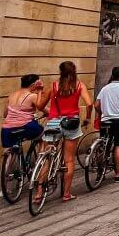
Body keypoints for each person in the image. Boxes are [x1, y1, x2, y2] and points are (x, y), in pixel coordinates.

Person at [39, 61, 93, 202]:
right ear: (74, 70)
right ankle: (66, 194)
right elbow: (89, 103)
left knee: (46, 158)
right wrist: (87, 118)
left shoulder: (53, 86)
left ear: (60, 71)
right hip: (71, 123)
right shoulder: (80, 86)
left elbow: (40, 106)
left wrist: (39, 92)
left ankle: (38, 193)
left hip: (54, 122)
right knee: (68, 159)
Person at [1, 73, 46, 152]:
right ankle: (43, 162)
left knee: (8, 151)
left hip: (6, 129)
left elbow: (5, 114)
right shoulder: (32, 96)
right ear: (33, 84)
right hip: (26, 127)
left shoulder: (11, 96)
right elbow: (44, 109)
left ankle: (7, 162)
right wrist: (40, 91)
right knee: (43, 135)